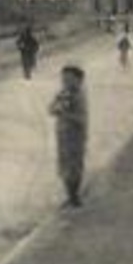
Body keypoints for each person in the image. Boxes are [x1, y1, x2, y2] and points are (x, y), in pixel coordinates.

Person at [48, 64, 90, 208]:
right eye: (64, 78)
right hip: (62, 135)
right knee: (64, 165)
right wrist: (56, 108)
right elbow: (51, 109)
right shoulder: (63, 93)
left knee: (75, 166)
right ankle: (70, 195)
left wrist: (64, 113)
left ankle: (74, 196)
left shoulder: (79, 96)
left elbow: (81, 120)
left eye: (69, 78)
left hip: (76, 135)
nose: (65, 81)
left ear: (78, 80)